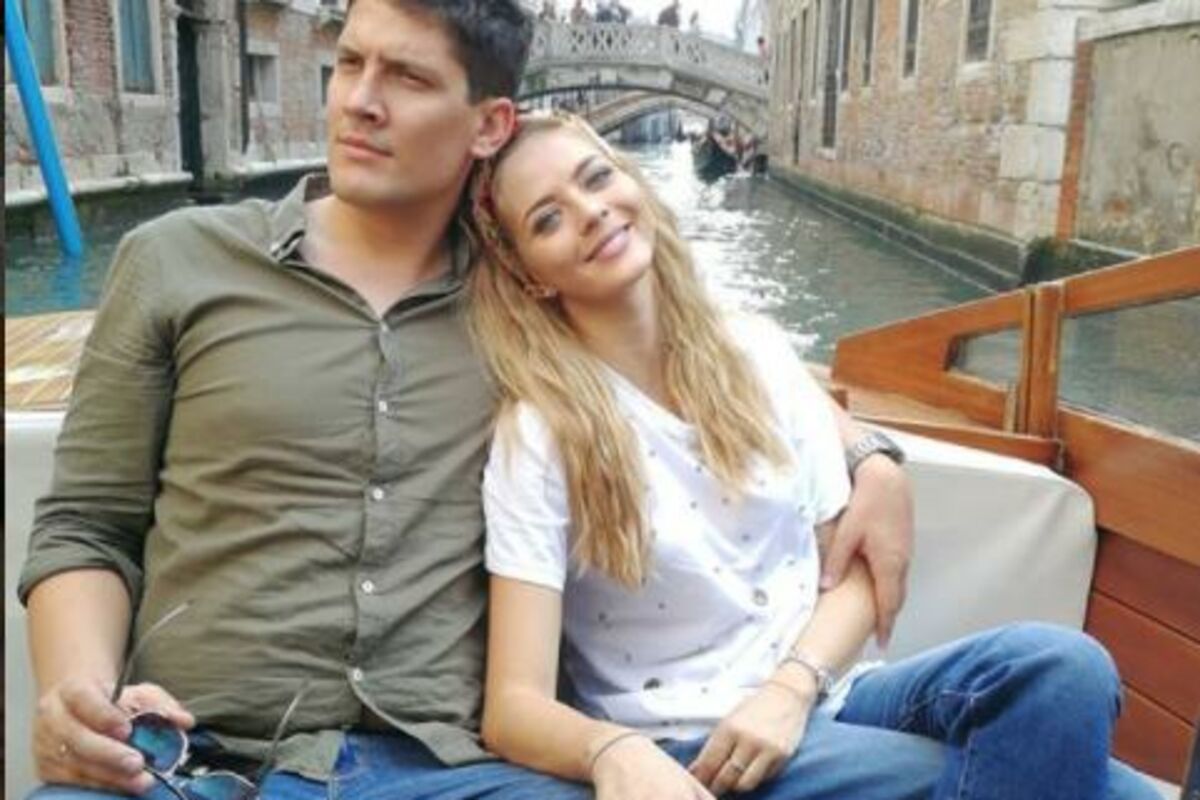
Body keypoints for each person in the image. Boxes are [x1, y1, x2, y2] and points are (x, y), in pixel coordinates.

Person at [18, 1, 918, 799]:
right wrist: (78, 696)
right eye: (350, 63)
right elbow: (88, 523)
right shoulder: (176, 259)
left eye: (406, 78)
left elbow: (706, 348)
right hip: (187, 759)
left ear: (489, 123)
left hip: (445, 769)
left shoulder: (532, 287)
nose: (359, 101)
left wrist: (866, 453)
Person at [464, 111, 1162, 800]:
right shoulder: (541, 433)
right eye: (548, 219)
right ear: (530, 277)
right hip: (697, 748)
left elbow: (850, 571)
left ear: (633, 184)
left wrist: (790, 690)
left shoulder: (756, 353)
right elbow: (514, 706)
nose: (590, 212)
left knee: (1065, 671)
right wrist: (612, 752)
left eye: (596, 178)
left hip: (828, 698)